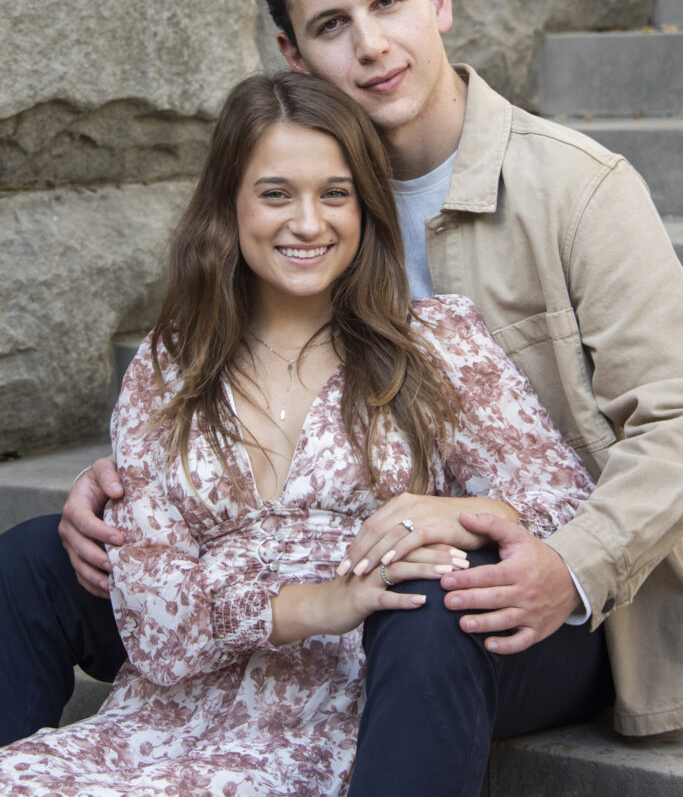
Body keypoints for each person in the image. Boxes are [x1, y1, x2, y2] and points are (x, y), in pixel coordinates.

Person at [0, 0, 680, 781]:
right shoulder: (293, 178)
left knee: (423, 601)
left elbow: (671, 423)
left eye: (387, 3)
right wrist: (146, 473)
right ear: (292, 51)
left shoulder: (576, 189)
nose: (369, 46)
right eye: (331, 24)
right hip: (298, 569)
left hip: (527, 581)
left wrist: (557, 557)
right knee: (33, 559)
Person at [0, 71, 600, 795]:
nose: (309, 223)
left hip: (381, 675)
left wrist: (461, 514)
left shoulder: (435, 343)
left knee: (420, 608)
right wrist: (321, 601)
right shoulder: (171, 362)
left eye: (335, 194)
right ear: (229, 203)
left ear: (365, 206)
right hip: (208, 685)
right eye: (276, 193)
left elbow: (566, 504)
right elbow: (156, 616)